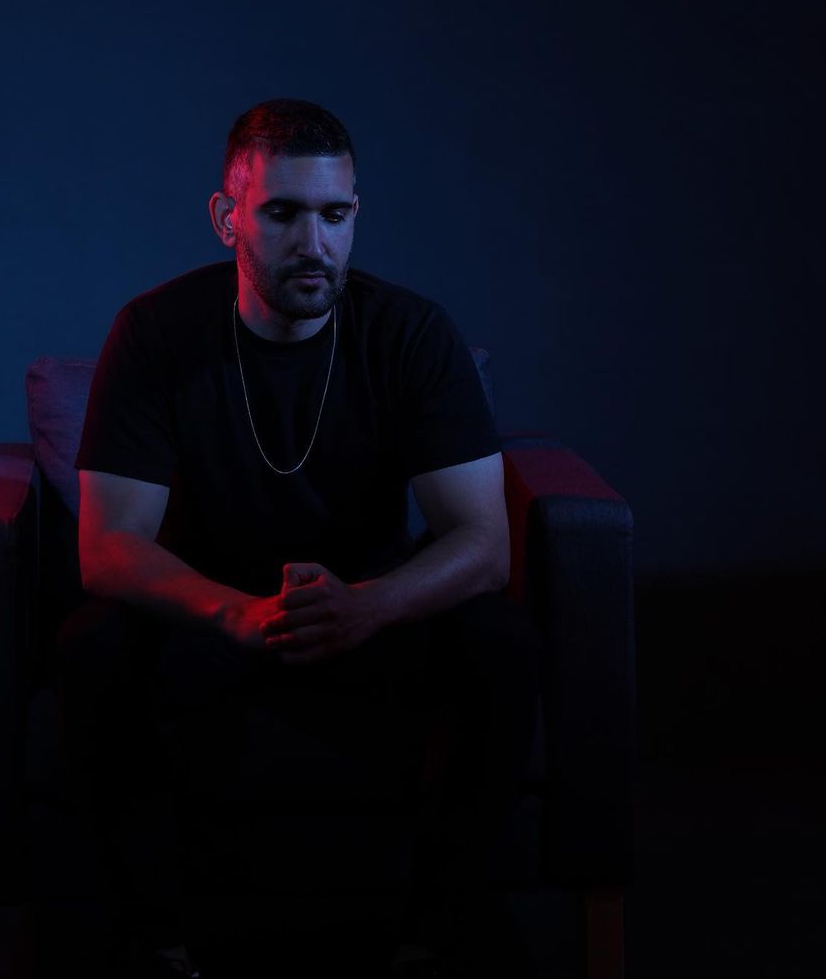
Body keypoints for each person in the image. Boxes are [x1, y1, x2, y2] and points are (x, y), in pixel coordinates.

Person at [56, 98, 541, 979]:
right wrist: (233, 614)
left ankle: (430, 938)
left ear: (355, 215)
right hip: (209, 620)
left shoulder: (411, 334)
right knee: (95, 646)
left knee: (499, 642)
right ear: (227, 217)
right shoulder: (157, 333)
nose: (313, 243)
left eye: (334, 214)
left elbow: (483, 539)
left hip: (368, 616)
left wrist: (370, 607)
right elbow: (109, 545)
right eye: (282, 213)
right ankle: (157, 944)